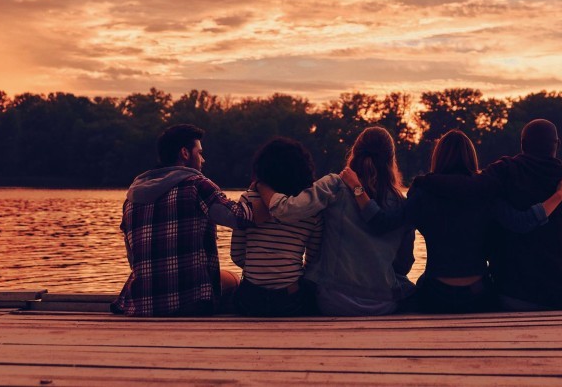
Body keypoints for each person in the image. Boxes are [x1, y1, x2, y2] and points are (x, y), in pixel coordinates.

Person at [341, 129, 562, 313]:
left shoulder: (423, 191)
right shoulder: (486, 190)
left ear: (438, 157)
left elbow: (382, 223)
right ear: (471, 157)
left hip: (435, 295)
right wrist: (559, 196)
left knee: (409, 293)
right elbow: (522, 222)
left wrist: (358, 189)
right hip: (478, 295)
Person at [416, 119, 562, 310]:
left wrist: (426, 181)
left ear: (523, 144)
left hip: (514, 295)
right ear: (557, 145)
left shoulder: (503, 174)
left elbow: (467, 186)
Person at [257, 127, 415, 316]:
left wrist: (262, 186)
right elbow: (404, 265)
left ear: (355, 152)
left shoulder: (334, 185)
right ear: (391, 161)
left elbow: (286, 210)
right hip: (383, 304)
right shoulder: (401, 203)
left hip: (333, 301)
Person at [112, 124, 256, 316]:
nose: (203, 160)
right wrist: (259, 189)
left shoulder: (132, 198)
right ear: (185, 153)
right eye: (200, 153)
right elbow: (240, 217)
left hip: (143, 304)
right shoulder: (197, 185)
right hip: (190, 303)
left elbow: (133, 259)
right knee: (233, 280)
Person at [231, 138, 323, 317]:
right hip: (291, 301)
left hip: (250, 300)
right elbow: (313, 259)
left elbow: (237, 255)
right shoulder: (311, 208)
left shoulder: (248, 199)